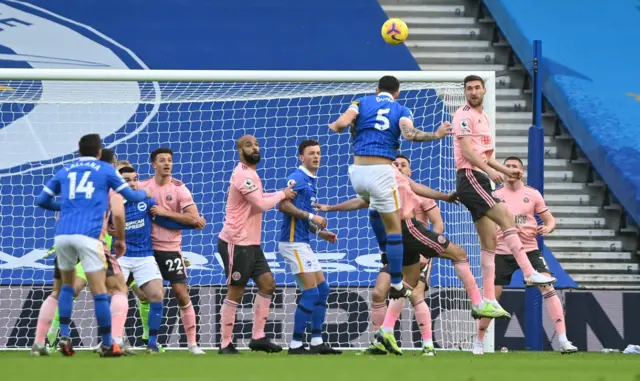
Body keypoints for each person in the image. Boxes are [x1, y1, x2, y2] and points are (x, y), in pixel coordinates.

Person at [314, 157, 509, 355]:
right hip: (408, 229)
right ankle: (477, 303)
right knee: (458, 254)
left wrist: (444, 197)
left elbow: (416, 192)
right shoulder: (383, 175)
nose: (398, 166)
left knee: (407, 285)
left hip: (401, 237)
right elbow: (363, 201)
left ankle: (388, 331)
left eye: (402, 164)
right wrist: (333, 208)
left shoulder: (390, 178)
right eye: (395, 162)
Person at [328, 75, 453, 306]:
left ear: (377, 91)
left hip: (356, 173)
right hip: (382, 172)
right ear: (397, 92)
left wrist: (337, 126)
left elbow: (340, 124)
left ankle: (386, 256)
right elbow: (409, 134)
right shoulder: (401, 108)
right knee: (395, 228)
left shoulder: (359, 102)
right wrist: (436, 135)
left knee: (373, 208)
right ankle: (396, 281)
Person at [33, 134, 149, 357]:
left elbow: (41, 201)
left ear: (79, 151)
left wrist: (67, 206)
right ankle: (108, 343)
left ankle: (55, 339)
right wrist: (146, 192)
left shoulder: (65, 170)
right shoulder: (105, 171)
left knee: (64, 289)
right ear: (99, 152)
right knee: (101, 291)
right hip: (90, 237)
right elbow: (130, 197)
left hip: (63, 236)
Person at [452, 75, 555, 314]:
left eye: (477, 88)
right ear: (465, 92)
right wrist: (488, 171)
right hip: (470, 177)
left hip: (477, 179)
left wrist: (503, 169)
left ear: (484, 91)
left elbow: (486, 155)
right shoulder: (463, 115)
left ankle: (487, 299)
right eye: (469, 89)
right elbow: (467, 151)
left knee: (489, 242)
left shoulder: (483, 117)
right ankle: (530, 273)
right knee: (506, 218)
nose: (474, 92)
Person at [473, 157, 577, 355]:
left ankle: (563, 339)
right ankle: (479, 341)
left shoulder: (532, 194)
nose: (511, 169)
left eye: (515, 166)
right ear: (503, 171)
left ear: (521, 171)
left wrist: (548, 227)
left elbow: (550, 219)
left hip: (529, 249)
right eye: (508, 166)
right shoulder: (494, 195)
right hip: (502, 251)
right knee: (492, 298)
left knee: (547, 285)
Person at [217, 135, 296, 354]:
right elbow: (260, 204)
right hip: (236, 242)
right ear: (240, 151)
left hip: (251, 243)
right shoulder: (242, 174)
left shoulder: (251, 173)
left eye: (257, 144)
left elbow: (260, 197)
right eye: (249, 145)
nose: (255, 148)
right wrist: (282, 194)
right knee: (236, 291)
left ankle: (258, 337)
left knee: (268, 284)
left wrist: (281, 195)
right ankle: (225, 343)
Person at [276, 140, 342, 355]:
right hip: (292, 242)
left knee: (322, 290)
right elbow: (283, 204)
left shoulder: (311, 180)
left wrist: (319, 232)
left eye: (319, 153)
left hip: (303, 241)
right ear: (301, 157)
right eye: (311, 153)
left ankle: (316, 341)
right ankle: (295, 344)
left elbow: (301, 217)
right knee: (312, 293)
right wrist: (313, 216)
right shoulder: (298, 177)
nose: (316, 156)